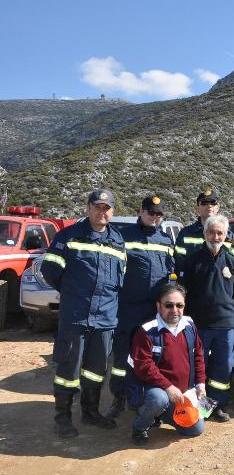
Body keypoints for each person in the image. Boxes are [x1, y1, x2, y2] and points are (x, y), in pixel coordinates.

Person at [42, 189, 126, 438]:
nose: (102, 212)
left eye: (106, 208)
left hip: (105, 318)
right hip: (76, 316)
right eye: (97, 207)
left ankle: (90, 412)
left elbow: (121, 277)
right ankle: (62, 418)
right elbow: (50, 270)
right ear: (88, 208)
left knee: (96, 370)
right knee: (69, 370)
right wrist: (72, 293)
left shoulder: (117, 240)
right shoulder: (68, 235)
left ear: (112, 212)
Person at [106, 196, 175, 419]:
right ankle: (119, 398)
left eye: (159, 214)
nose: (154, 217)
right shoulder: (123, 237)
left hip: (154, 311)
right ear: (140, 212)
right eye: (151, 212)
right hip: (128, 308)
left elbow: (171, 273)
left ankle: (145, 398)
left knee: (151, 356)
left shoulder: (166, 240)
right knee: (122, 356)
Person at [181, 214, 234, 421]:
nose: (216, 237)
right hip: (198, 325)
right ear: (205, 233)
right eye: (212, 232)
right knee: (199, 367)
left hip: (226, 325)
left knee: (223, 367)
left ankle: (218, 405)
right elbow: (182, 294)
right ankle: (201, 408)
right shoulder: (192, 260)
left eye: (220, 233)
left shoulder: (232, 262)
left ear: (226, 235)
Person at [130, 283, 207, 445]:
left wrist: (200, 383)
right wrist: (168, 387)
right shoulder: (146, 331)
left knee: (196, 429)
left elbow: (198, 355)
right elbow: (144, 366)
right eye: (169, 305)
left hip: (182, 395)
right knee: (158, 400)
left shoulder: (189, 325)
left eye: (179, 305)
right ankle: (140, 426)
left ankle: (161, 413)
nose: (175, 310)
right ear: (158, 306)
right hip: (158, 390)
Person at [175, 189, 234, 275]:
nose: (209, 206)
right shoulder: (185, 234)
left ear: (217, 207)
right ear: (197, 208)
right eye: (204, 203)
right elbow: (179, 262)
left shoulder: (229, 235)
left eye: (213, 203)